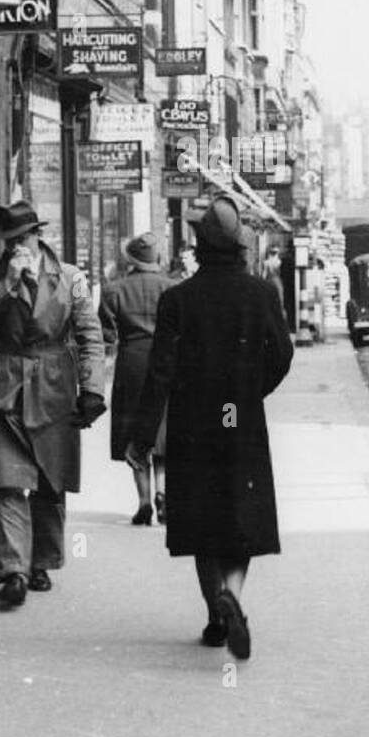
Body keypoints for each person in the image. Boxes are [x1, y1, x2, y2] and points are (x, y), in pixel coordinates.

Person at [126, 195, 293, 661]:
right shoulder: (261, 294)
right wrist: (249, 391)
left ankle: (216, 617)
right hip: (240, 421)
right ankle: (233, 596)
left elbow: (159, 372)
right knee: (241, 517)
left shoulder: (177, 299)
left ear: (198, 247)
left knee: (201, 523)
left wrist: (141, 439)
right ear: (240, 244)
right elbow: (282, 355)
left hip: (192, 424)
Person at [0, 201, 106, 609]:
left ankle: (41, 560)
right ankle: (14, 571)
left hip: (53, 383)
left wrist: (92, 389)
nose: (15, 248)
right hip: (3, 384)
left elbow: (89, 334)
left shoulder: (70, 277)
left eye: (22, 239)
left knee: (49, 479)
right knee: (7, 481)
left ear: (37, 235)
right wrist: (6, 285)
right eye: (8, 242)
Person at [99, 232, 175, 526]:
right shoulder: (173, 288)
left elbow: (106, 335)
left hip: (131, 364)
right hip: (165, 364)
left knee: (135, 432)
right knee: (163, 432)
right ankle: (162, 492)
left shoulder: (113, 291)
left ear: (130, 260)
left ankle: (143, 500)